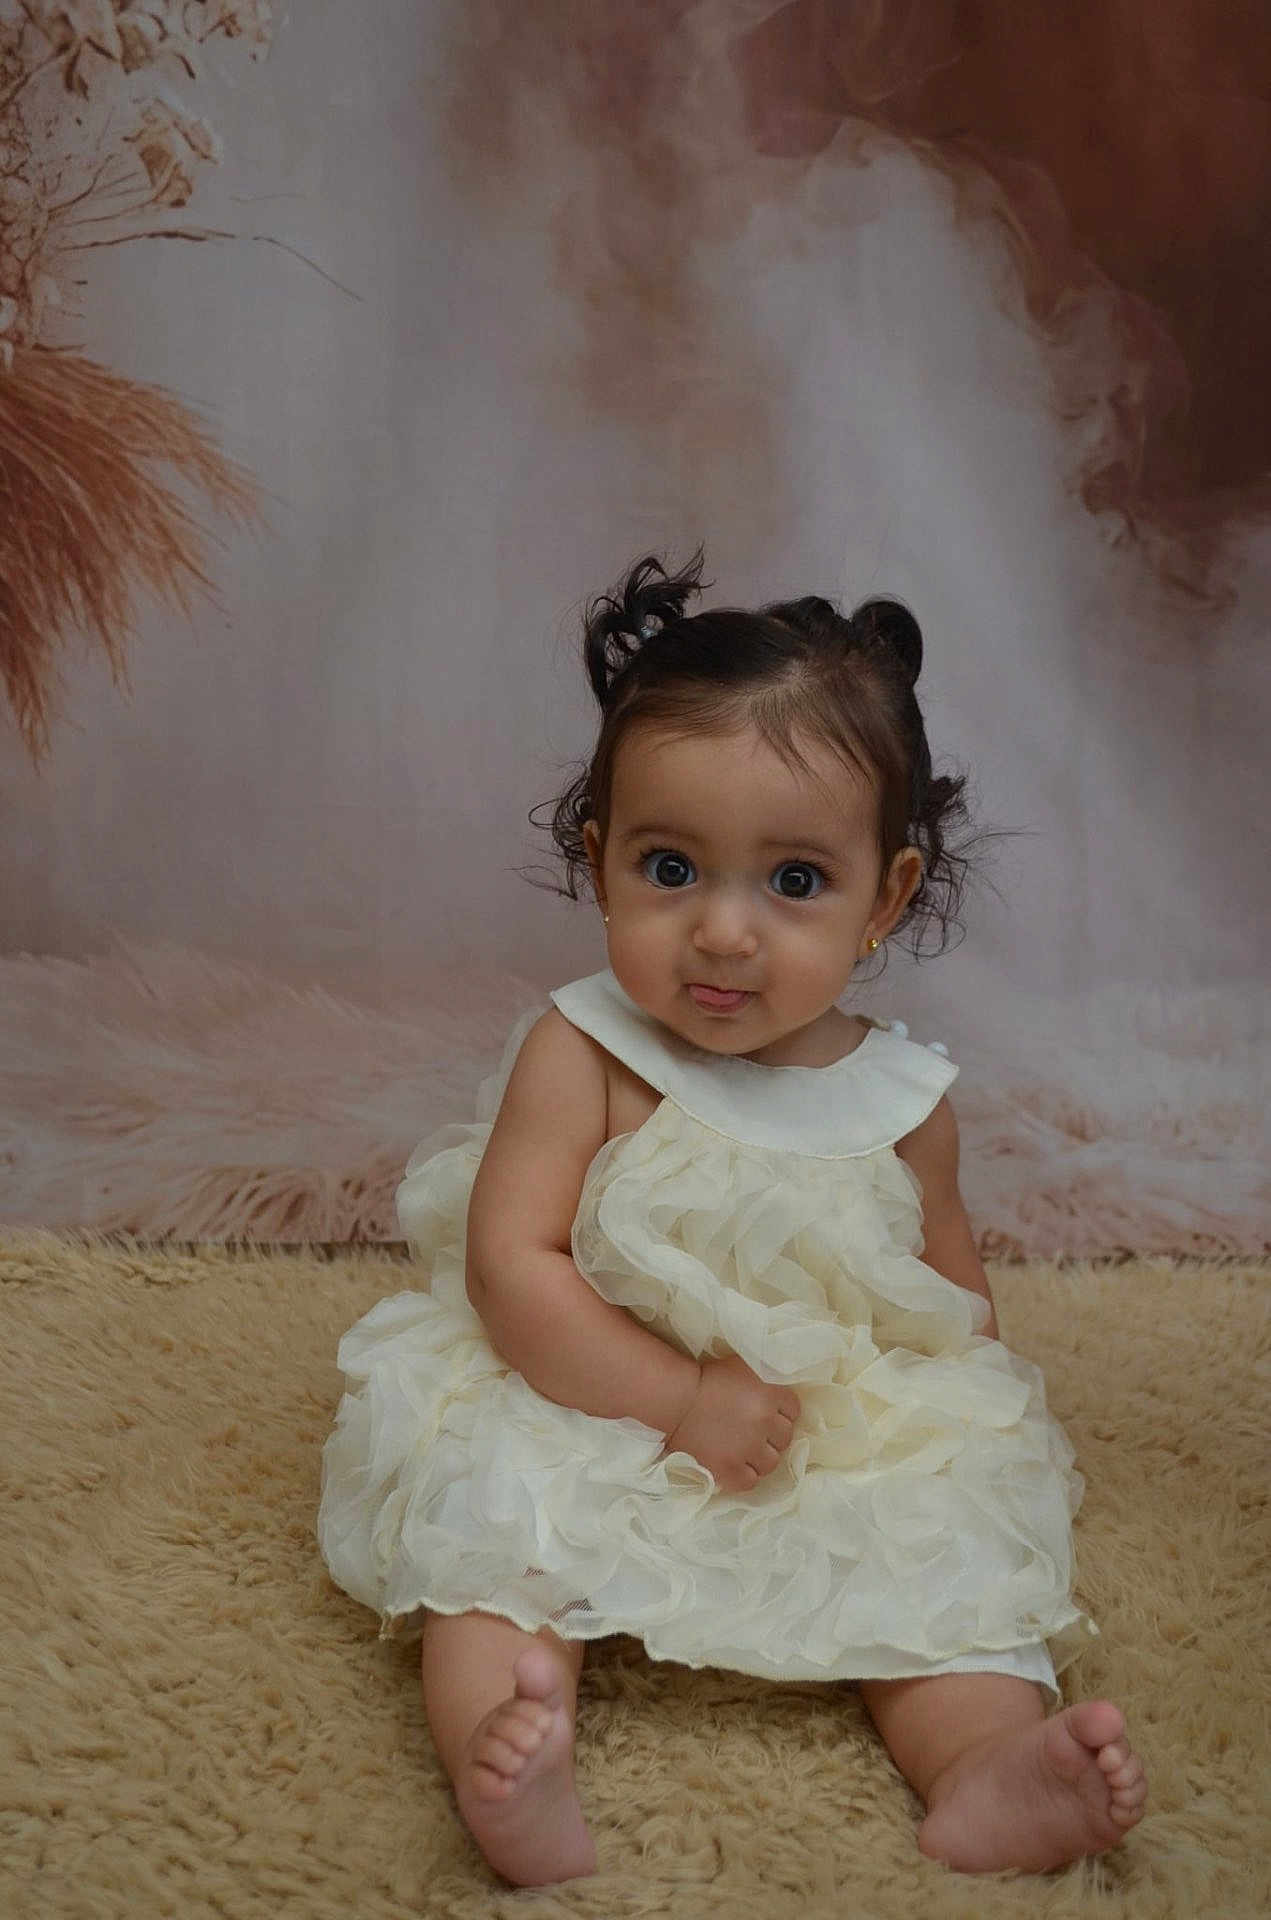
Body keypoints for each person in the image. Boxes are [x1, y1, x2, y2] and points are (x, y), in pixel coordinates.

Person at [318, 552, 1147, 1887]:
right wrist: (677, 1398)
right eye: (670, 866)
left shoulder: (903, 1103)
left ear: (885, 898)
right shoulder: (585, 1052)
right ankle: (506, 1751)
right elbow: (512, 1266)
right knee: (492, 1526)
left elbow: (950, 1302)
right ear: (599, 864)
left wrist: (950, 1444)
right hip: (592, 1391)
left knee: (943, 1566)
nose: (721, 931)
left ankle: (983, 1762)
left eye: (794, 882)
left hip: (810, 1427)